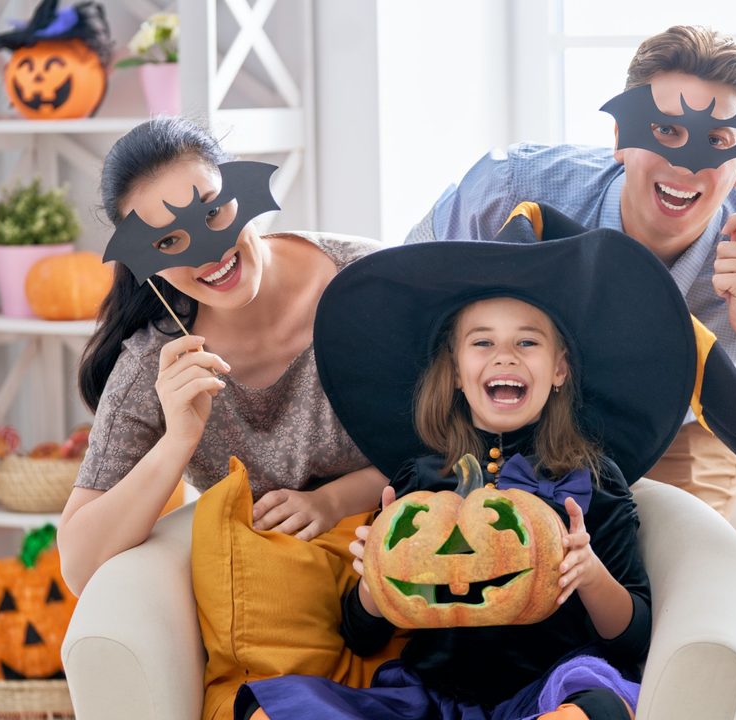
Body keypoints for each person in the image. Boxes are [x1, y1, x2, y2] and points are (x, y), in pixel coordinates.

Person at [406, 25, 736, 517]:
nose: (685, 165)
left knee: (663, 575)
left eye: (716, 140)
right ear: (621, 137)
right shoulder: (511, 187)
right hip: (496, 417)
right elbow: (396, 302)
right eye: (666, 130)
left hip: (674, 438)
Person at [234, 218, 703, 720]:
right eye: (482, 343)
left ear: (560, 368)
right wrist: (374, 582)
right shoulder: (418, 481)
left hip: (546, 692)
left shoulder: (592, 480)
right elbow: (361, 638)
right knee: (271, 713)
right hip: (432, 701)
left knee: (594, 713)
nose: (504, 355)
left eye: (527, 342)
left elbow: (634, 638)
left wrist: (589, 575)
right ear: (456, 371)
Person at [58, 117, 387, 595]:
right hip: (281, 594)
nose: (207, 254)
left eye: (212, 212)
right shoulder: (157, 362)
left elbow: (457, 442)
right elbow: (79, 565)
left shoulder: (368, 282)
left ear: (240, 190)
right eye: (168, 241)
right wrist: (178, 439)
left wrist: (334, 500)